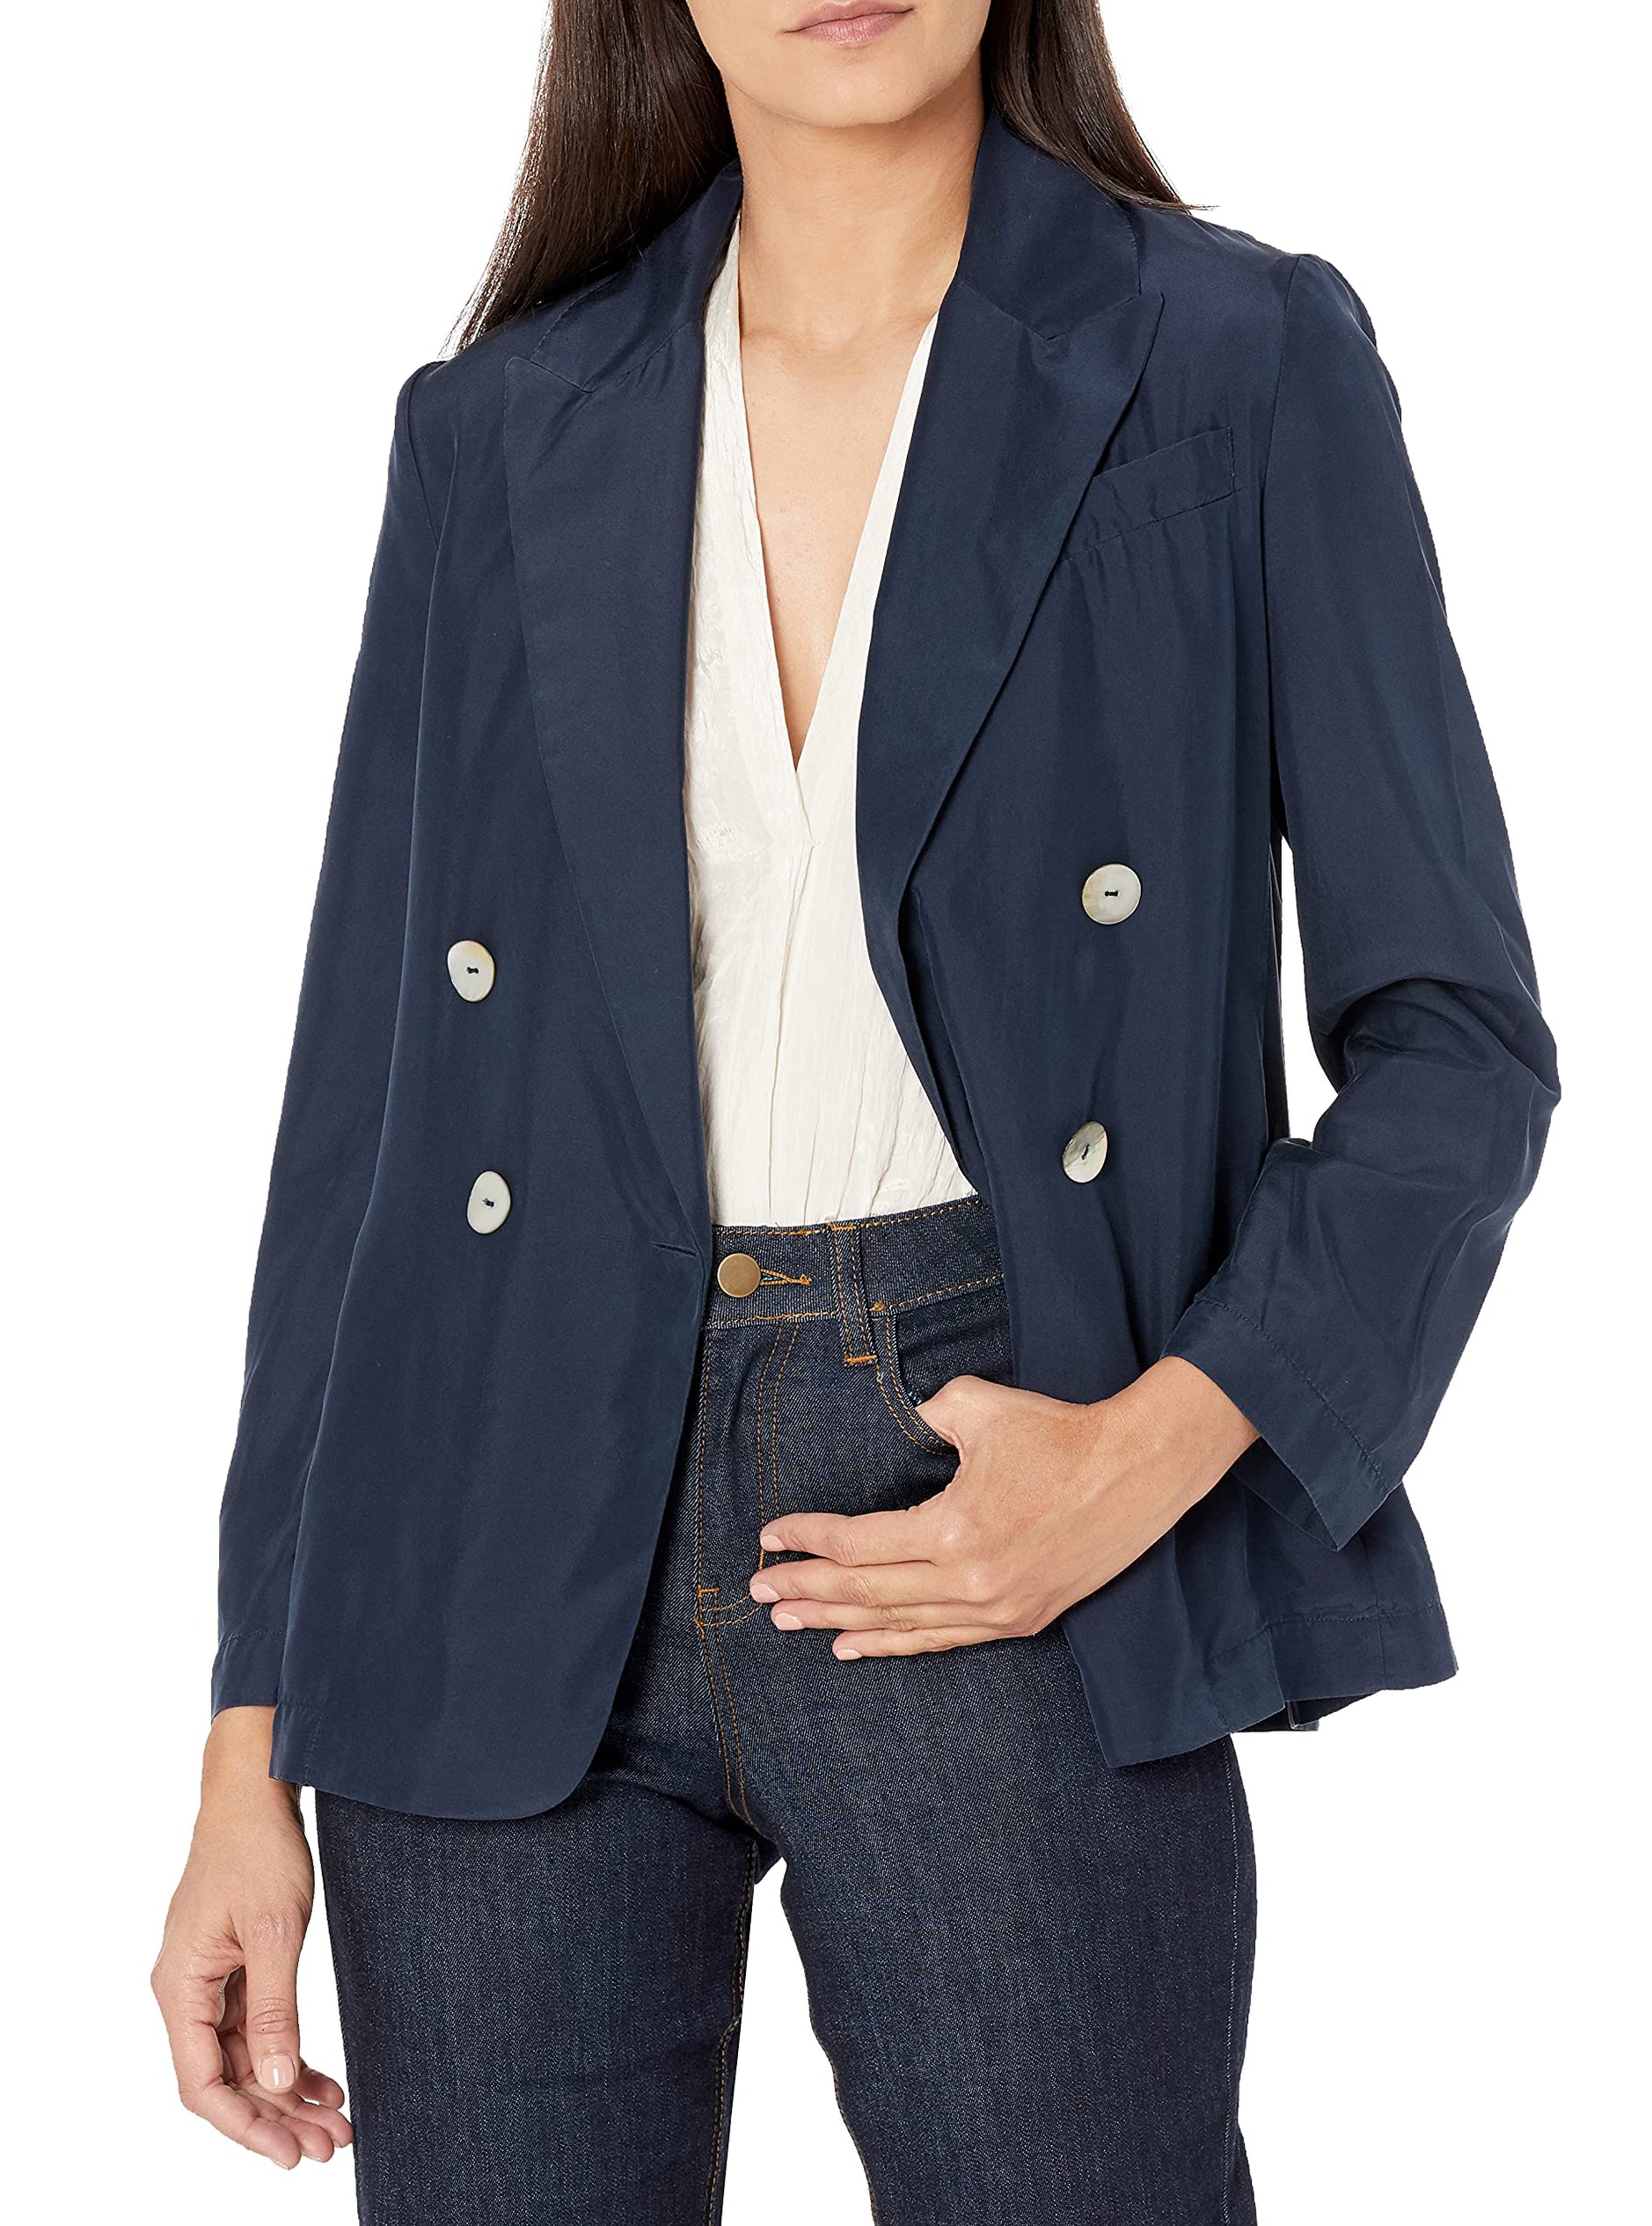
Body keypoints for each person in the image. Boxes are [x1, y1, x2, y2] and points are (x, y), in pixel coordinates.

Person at [152, 2, 1558, 2217]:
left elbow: (1454, 1038)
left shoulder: (1233, 356)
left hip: (986, 1481)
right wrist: (249, 1741)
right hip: (502, 1524)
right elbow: (365, 1130)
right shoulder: (497, 424)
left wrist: (1146, 1449)